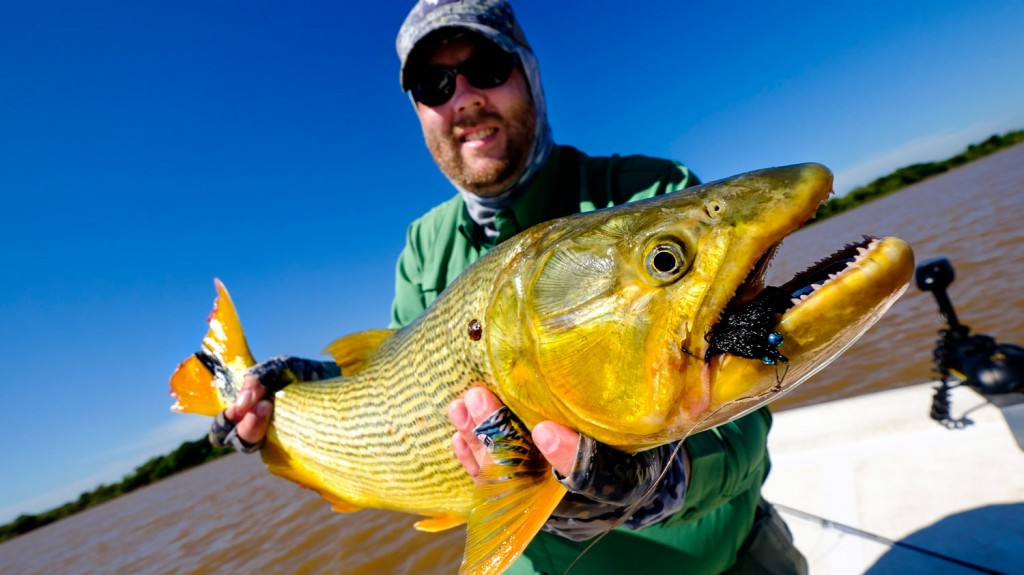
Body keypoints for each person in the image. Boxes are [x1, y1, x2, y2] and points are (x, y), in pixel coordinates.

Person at [212, 1, 808, 573]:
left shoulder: (651, 193)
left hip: (730, 562)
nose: (465, 97)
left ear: (530, 73)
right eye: (434, 86)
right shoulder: (423, 247)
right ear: (419, 112)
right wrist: (285, 389)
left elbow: (742, 419)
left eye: (488, 68)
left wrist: (646, 484)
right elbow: (391, 384)